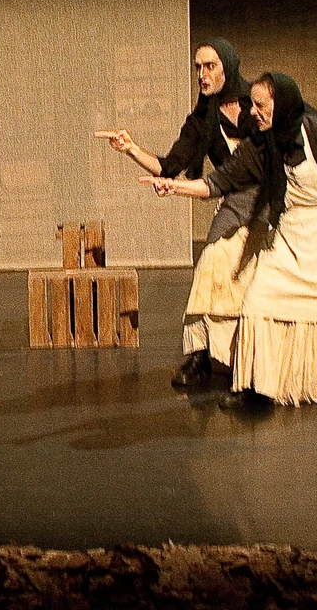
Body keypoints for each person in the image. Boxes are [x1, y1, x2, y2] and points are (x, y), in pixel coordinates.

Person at [139, 72, 317, 407]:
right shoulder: (259, 146)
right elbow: (218, 183)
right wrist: (174, 186)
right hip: (294, 231)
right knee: (259, 301)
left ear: (281, 105)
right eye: (252, 105)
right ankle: (249, 383)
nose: (252, 112)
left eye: (260, 105)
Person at [95, 38, 261, 388]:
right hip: (232, 203)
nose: (202, 74)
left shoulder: (258, 103)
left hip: (269, 202)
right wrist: (131, 149)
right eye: (198, 67)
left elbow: (301, 126)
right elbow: (168, 167)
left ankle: (257, 354)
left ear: (227, 67)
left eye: (210, 66)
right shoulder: (202, 120)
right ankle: (200, 354)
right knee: (210, 266)